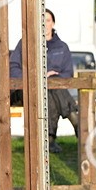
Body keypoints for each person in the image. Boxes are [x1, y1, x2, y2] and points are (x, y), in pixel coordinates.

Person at [10, 9, 78, 153]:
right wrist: (37, 77)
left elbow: (68, 73)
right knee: (49, 88)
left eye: (47, 20)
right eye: (42, 20)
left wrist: (50, 79)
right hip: (26, 89)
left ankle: (50, 140)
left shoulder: (62, 47)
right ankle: (73, 119)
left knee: (51, 87)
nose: (45, 24)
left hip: (54, 89)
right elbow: (13, 67)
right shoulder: (25, 43)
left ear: (53, 23)